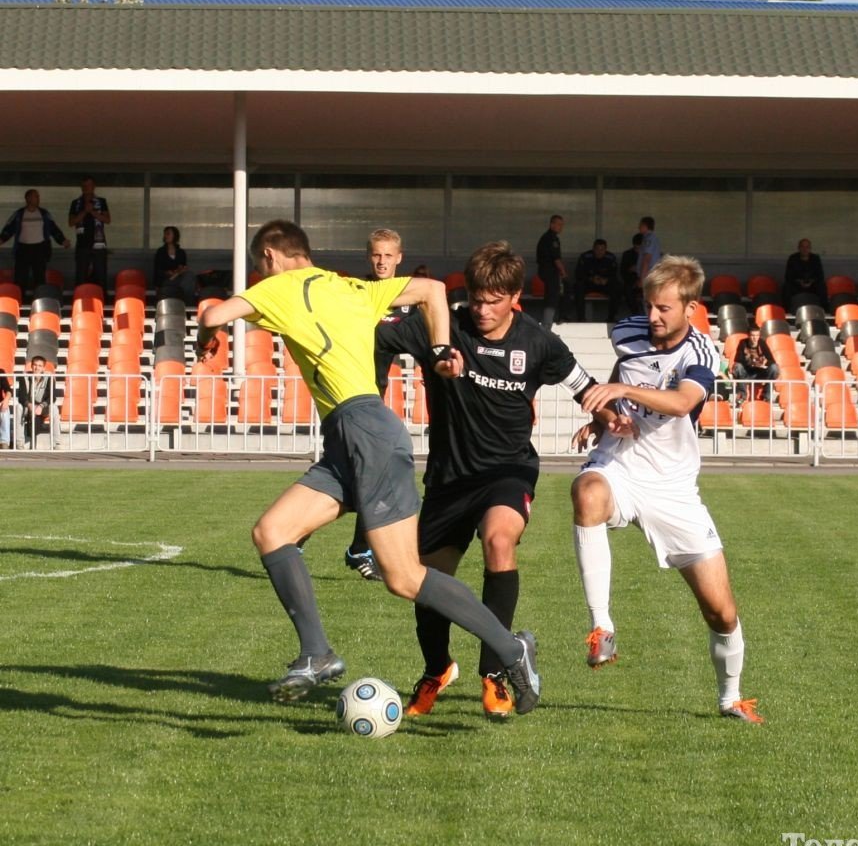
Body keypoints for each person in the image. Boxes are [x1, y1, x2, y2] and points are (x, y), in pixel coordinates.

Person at [196, 219, 541, 714]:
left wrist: (207, 337)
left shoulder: (278, 286)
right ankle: (317, 654)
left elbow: (216, 312)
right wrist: (442, 347)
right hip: (350, 438)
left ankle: (511, 649)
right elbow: (432, 290)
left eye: (258, 266)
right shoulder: (352, 286)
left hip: (365, 433)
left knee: (403, 576)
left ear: (270, 256)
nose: (259, 274)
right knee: (272, 531)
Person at [377, 241, 598, 719]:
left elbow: (587, 388)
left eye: (493, 299)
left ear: (515, 296)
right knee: (427, 581)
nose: (481, 308)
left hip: (508, 470)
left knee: (500, 541)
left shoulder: (538, 342)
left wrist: (604, 416)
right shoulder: (442, 325)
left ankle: (495, 672)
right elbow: (376, 338)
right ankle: (437, 669)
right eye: (475, 298)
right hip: (448, 477)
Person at [571, 255, 763, 724]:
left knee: (721, 612)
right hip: (620, 464)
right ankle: (602, 625)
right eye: (649, 306)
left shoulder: (701, 354)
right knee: (587, 494)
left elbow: (679, 403)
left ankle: (730, 697)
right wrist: (603, 420)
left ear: (690, 307)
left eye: (664, 309)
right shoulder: (628, 331)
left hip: (673, 488)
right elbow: (624, 377)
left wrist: (622, 394)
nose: (653, 317)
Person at [343, 227, 411, 582]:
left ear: (399, 257)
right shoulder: (355, 293)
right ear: (368, 257)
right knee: (358, 475)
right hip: (348, 397)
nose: (382, 261)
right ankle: (294, 536)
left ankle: (357, 548)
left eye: (388, 255)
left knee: (370, 475)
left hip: (374, 399)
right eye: (376, 255)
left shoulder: (408, 298)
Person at [0, 189, 71, 297]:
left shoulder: (44, 214)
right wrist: (1, 240)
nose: (38, 199)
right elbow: (9, 229)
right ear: (28, 198)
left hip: (39, 249)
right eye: (35, 196)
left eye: (38, 197)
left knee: (39, 277)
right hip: (23, 249)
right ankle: (18, 301)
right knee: (20, 277)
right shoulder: (19, 214)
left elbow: (53, 229)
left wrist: (62, 241)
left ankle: (39, 301)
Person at [68, 176, 111, 293]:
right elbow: (71, 222)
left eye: (89, 185)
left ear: (94, 187)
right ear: (81, 188)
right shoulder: (76, 203)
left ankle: (102, 306)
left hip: (99, 244)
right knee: (81, 277)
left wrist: (92, 211)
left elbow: (107, 219)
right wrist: (84, 211)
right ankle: (80, 303)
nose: (87, 188)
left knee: (101, 276)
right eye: (84, 186)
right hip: (82, 244)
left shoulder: (101, 201)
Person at [573, 238, 621, 322]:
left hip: (604, 285)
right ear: (593, 249)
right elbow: (578, 274)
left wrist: (606, 280)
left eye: (602, 249)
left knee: (617, 287)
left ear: (606, 250)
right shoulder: (585, 257)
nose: (599, 252)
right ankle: (581, 318)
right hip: (589, 284)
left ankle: (611, 318)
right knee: (578, 286)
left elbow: (614, 275)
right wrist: (591, 279)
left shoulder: (610, 257)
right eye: (597, 249)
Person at [16, 355, 58, 449]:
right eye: (35, 365)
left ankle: (56, 444)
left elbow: (52, 397)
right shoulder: (24, 377)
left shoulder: (49, 377)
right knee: (18, 407)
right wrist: (29, 405)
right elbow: (21, 396)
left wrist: (41, 406)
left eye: (40, 365)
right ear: (31, 366)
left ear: (43, 367)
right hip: (29, 406)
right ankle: (19, 444)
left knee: (54, 408)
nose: (37, 368)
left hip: (43, 407)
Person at [731, 324, 779, 402]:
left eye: (757, 335)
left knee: (774, 368)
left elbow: (772, 360)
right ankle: (742, 396)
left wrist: (764, 363)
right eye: (752, 335)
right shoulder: (743, 343)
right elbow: (738, 359)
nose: (755, 338)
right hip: (747, 372)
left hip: (760, 373)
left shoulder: (762, 343)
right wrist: (751, 363)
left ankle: (766, 396)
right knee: (737, 367)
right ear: (748, 335)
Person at [535, 214, 567, 331]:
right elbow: (556, 258)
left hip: (547, 271)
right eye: (558, 224)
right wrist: (563, 271)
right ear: (551, 224)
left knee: (554, 296)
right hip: (549, 271)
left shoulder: (549, 237)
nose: (560, 227)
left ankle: (555, 320)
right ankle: (546, 326)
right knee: (551, 299)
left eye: (562, 225)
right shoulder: (551, 238)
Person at [154, 226, 195, 304]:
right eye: (165, 234)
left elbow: (183, 266)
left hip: (179, 278)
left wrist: (181, 270)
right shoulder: (160, 252)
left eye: (168, 234)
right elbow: (157, 270)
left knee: (189, 276)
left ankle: (187, 305)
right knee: (186, 282)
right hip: (167, 279)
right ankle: (187, 303)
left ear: (175, 236)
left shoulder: (181, 252)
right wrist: (167, 273)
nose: (166, 236)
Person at [783, 237, 827, 310]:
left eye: (807, 247)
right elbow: (788, 276)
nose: (805, 249)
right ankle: (787, 311)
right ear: (799, 248)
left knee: (822, 286)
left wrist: (811, 282)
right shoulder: (793, 258)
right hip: (797, 285)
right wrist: (799, 282)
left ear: (810, 248)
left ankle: (824, 310)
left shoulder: (815, 258)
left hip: (812, 285)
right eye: (802, 247)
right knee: (786, 287)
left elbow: (820, 275)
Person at [619, 232, 644, 315]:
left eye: (640, 248)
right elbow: (622, 272)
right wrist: (630, 270)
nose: (638, 251)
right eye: (636, 248)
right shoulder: (628, 254)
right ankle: (635, 313)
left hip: (646, 281)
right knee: (627, 289)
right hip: (631, 281)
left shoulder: (649, 255)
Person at [636, 216, 662, 285]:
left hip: (649, 275)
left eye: (640, 225)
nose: (639, 227)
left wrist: (642, 279)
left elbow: (647, 259)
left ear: (645, 226)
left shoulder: (649, 239)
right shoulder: (647, 238)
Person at [0, 370, 12, 449]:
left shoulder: (0, 371)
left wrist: (6, 400)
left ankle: (4, 442)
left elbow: (8, 390)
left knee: (5, 410)